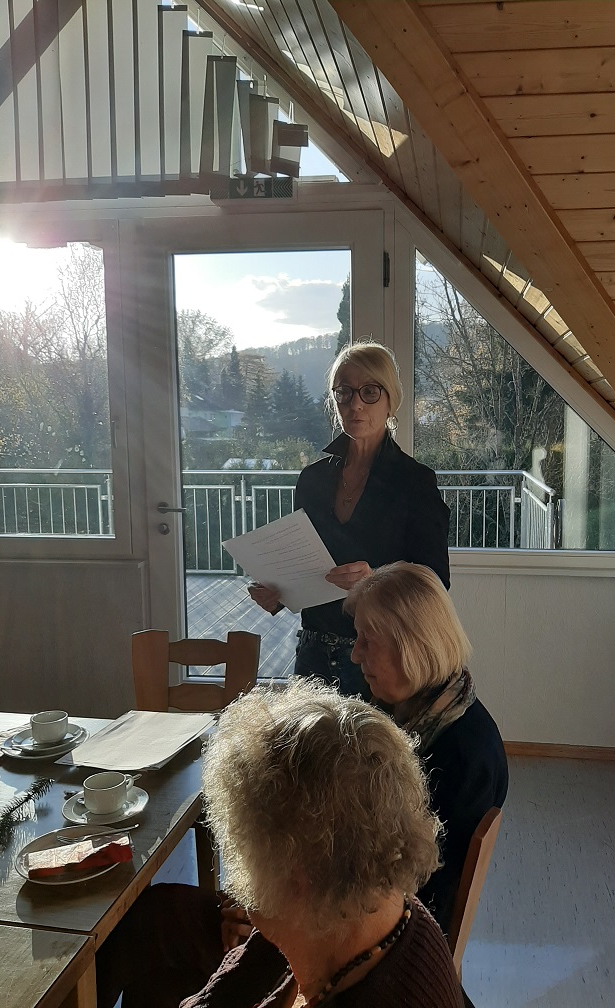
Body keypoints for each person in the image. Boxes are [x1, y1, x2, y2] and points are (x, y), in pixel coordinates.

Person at [118, 681, 464, 1008]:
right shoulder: (354, 904)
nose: (237, 879)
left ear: (294, 875)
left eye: (243, 852)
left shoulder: (318, 919)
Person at [248, 340, 450, 699]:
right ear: (334, 401)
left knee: (371, 740)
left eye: (369, 391)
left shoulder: (414, 482)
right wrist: (277, 595)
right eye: (344, 392)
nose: (355, 404)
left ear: (390, 401)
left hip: (379, 652)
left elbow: (435, 581)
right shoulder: (312, 480)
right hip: (312, 650)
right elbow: (303, 564)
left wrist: (376, 580)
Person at [346, 561, 509, 929]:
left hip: (405, 935)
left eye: (368, 640)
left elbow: (422, 893)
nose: (355, 654)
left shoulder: (461, 756)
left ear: (412, 646)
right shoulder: (415, 711)